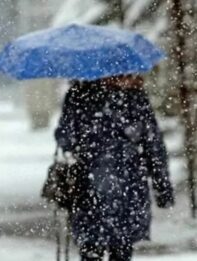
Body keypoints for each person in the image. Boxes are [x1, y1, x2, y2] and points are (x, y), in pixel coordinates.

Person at [54, 75, 174, 261]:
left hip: (89, 184)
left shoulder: (78, 94)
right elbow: (153, 143)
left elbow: (65, 136)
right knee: (122, 246)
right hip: (128, 184)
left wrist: (77, 147)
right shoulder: (134, 96)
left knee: (91, 246)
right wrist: (162, 186)